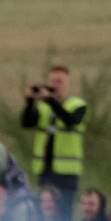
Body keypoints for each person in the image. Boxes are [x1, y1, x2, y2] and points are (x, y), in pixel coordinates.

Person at [18, 65, 89, 206]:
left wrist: (51, 100)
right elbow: (26, 123)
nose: (55, 85)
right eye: (52, 81)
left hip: (67, 171)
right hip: (45, 170)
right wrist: (30, 101)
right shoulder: (43, 106)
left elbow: (70, 120)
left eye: (59, 82)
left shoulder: (79, 105)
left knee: (63, 213)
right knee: (44, 213)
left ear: (67, 83)